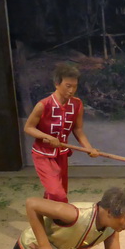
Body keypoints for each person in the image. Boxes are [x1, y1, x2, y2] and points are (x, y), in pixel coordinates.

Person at [24, 63, 99, 201]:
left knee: (60, 190)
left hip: (62, 153)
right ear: (57, 84)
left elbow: (78, 129)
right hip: (43, 154)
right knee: (57, 193)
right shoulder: (43, 105)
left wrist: (88, 148)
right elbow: (28, 127)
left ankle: (48, 212)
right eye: (68, 86)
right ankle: (63, 219)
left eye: (75, 86)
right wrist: (47, 137)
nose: (71, 90)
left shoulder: (77, 104)